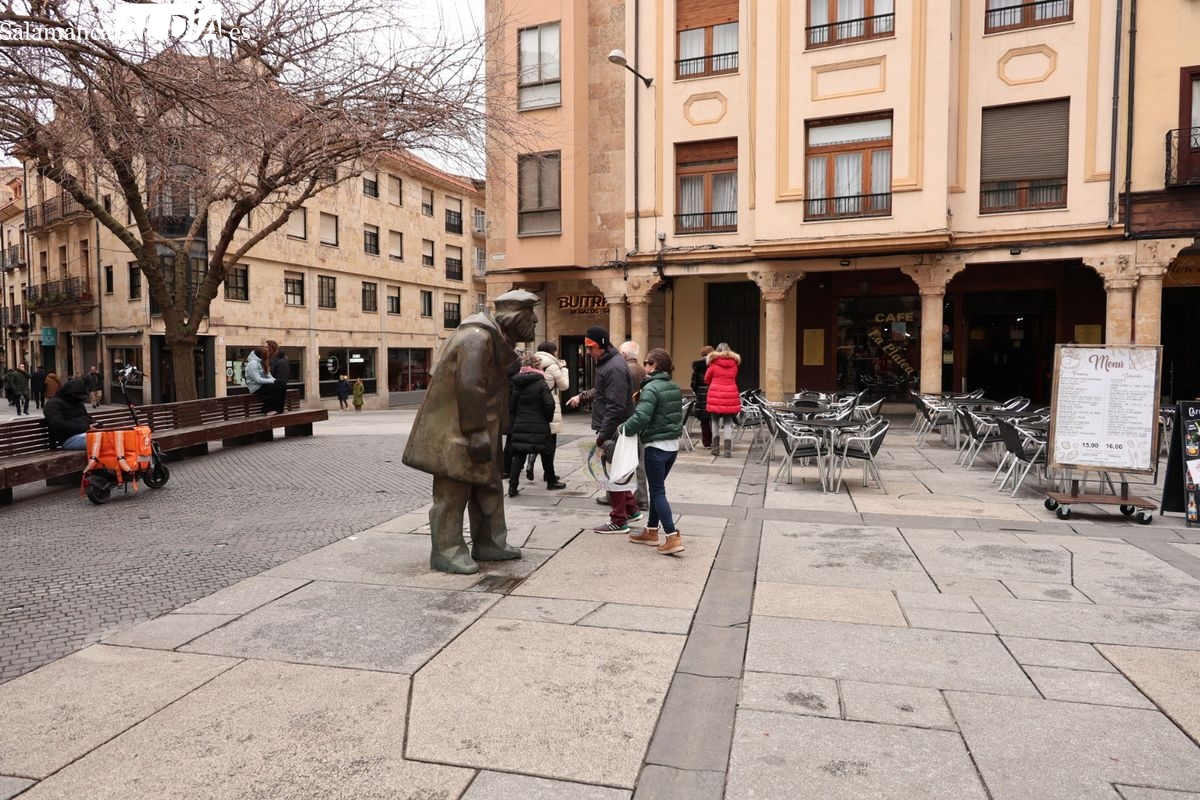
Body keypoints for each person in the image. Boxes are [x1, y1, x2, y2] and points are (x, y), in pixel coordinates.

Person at [402, 288, 538, 574]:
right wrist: (476, 431)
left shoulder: (492, 339)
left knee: (489, 487)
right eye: (530, 315)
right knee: (453, 492)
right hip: (461, 431)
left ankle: (490, 543)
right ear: (515, 317)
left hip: (482, 429)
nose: (535, 321)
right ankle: (447, 551)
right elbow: (470, 385)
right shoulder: (476, 338)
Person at [566, 325, 638, 534]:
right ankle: (631, 509)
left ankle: (618, 520)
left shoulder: (613, 367)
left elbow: (615, 406)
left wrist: (602, 436)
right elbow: (604, 392)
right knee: (618, 470)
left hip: (615, 428)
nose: (588, 352)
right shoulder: (610, 363)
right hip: (615, 426)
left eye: (591, 348)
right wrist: (583, 397)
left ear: (603, 345)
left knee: (612, 473)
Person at [623, 348, 685, 556]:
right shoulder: (673, 386)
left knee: (657, 492)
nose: (644, 366)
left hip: (656, 447)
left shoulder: (651, 387)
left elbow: (641, 417)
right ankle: (651, 531)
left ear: (654, 365)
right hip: (672, 447)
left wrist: (622, 429)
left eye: (646, 363)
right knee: (657, 490)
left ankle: (672, 536)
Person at [505, 353, 554, 497]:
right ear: (537, 366)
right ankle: (551, 481)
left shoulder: (517, 382)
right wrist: (547, 418)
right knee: (546, 451)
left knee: (519, 454)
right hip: (539, 422)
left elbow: (512, 405)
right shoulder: (540, 382)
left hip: (521, 422)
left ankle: (512, 487)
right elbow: (549, 404)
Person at [532, 341, 569, 490]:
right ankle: (549, 475)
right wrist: (564, 369)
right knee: (550, 442)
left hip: (532, 405)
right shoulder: (553, 366)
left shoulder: (532, 363)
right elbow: (564, 386)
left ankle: (530, 462)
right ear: (552, 351)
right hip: (549, 404)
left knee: (533, 437)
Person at [705, 342, 742, 458]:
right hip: (730, 395)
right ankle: (727, 450)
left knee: (715, 421)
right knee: (727, 422)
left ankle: (715, 448)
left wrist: (715, 382)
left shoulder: (713, 363)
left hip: (715, 394)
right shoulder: (734, 364)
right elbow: (733, 377)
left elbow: (706, 379)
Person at [44, 378, 97, 449]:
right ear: (69, 394)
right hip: (68, 439)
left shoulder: (77, 402)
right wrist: (86, 427)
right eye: (78, 397)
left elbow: (86, 416)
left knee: (108, 437)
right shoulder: (53, 404)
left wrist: (95, 424)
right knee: (101, 441)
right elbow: (59, 424)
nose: (79, 399)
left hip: (84, 434)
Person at [690, 345, 715, 449]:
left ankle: (707, 443)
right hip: (714, 393)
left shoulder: (697, 366)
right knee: (714, 418)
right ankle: (715, 441)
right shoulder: (715, 364)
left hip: (701, 394)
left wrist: (698, 391)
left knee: (704, 420)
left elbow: (693, 383)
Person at [263, 340, 290, 415]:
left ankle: (269, 410)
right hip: (282, 383)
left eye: (266, 347)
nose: (265, 349)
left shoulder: (273, 359)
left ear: (271, 348)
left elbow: (270, 373)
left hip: (277, 383)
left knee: (273, 389)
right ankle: (279, 409)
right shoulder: (283, 358)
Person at [244, 347, 275, 411]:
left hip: (262, 386)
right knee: (273, 388)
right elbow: (257, 380)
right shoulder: (253, 363)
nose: (267, 357)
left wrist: (275, 381)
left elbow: (268, 375)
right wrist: (272, 381)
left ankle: (277, 408)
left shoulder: (262, 362)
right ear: (262, 355)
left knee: (280, 386)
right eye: (266, 355)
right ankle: (266, 409)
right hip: (255, 387)